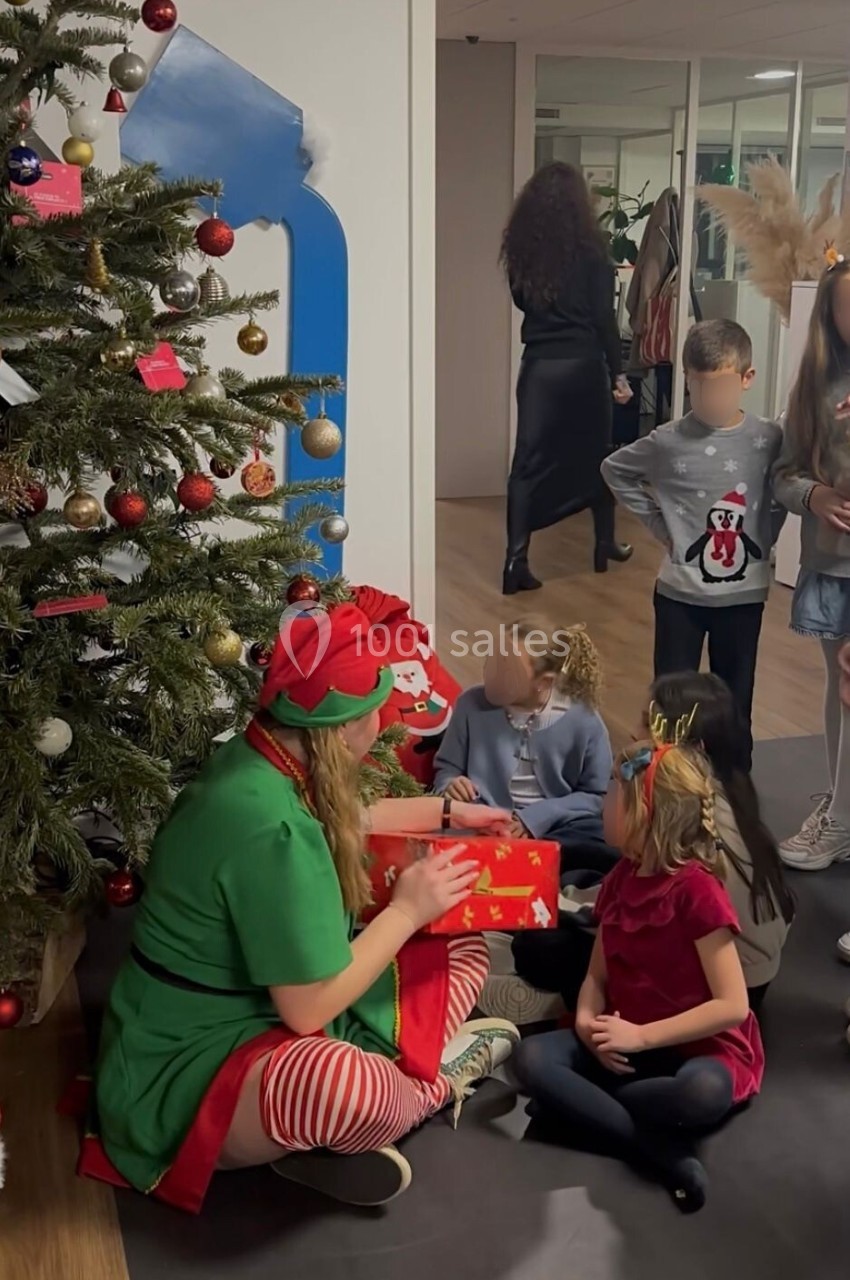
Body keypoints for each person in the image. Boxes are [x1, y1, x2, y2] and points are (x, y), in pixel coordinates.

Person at [79, 603, 519, 1214]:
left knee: (461, 941)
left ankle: (312, 1128)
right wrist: (406, 912)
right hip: (198, 1060)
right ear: (343, 730)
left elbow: (348, 819)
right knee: (352, 1089)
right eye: (376, 712)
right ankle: (431, 1085)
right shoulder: (274, 829)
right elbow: (308, 1009)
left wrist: (450, 813)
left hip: (228, 1011)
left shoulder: (259, 757)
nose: (384, 719)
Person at [515, 741, 764, 1215]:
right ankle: (656, 1148)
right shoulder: (621, 877)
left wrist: (643, 1036)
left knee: (702, 1093)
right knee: (529, 1058)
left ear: (645, 815)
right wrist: (588, 1018)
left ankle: (581, 1112)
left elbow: (732, 1006)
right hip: (624, 1039)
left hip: (692, 1044)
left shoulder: (696, 891)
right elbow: (596, 974)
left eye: (612, 794)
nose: (602, 803)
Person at [486, 671, 793, 1025]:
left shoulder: (684, 819)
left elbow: (649, 912)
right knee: (582, 864)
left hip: (710, 990)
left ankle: (554, 1002)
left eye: (648, 724)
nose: (634, 732)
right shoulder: (724, 795)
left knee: (539, 945)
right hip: (748, 973)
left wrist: (557, 908)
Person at [601, 319, 784, 768]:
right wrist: (664, 530)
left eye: (720, 387)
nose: (709, 400)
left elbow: (784, 490)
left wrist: (765, 536)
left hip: (742, 597)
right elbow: (614, 470)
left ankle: (734, 788)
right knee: (671, 699)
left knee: (735, 698)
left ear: (747, 379)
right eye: (699, 388)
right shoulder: (667, 441)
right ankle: (666, 781)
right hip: (680, 597)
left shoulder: (768, 440)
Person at [500, 161, 633, 595]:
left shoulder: (522, 251)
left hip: (539, 368)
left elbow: (522, 302)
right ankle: (604, 542)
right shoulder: (593, 253)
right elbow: (604, 322)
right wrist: (619, 372)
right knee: (599, 455)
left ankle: (515, 561)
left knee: (526, 465)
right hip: (582, 366)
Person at [773, 259, 850, 939]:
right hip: (833, 562)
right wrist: (814, 496)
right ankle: (842, 803)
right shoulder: (816, 386)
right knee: (838, 685)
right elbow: (783, 474)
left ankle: (842, 819)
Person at [433, 619, 614, 863]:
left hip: (555, 826)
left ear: (544, 682)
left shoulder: (584, 720)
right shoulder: (470, 705)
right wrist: (451, 782)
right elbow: (447, 768)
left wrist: (536, 819)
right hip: (480, 820)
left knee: (599, 843)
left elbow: (596, 794)